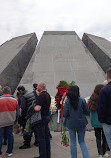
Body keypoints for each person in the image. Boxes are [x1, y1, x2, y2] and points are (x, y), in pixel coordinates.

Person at [63, 85, 90, 158]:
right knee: (82, 142)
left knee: (73, 143)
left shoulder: (67, 101)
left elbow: (65, 113)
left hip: (71, 124)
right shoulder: (82, 100)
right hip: (81, 123)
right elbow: (87, 112)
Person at [88, 84, 109, 158]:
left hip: (95, 121)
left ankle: (100, 153)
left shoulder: (92, 98)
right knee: (104, 137)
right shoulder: (104, 97)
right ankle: (104, 152)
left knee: (98, 138)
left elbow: (89, 109)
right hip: (103, 120)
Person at [34, 81, 51, 158]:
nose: (36, 87)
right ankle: (47, 154)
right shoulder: (47, 94)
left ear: (41, 87)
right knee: (46, 137)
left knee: (41, 138)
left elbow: (38, 108)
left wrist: (32, 108)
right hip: (47, 117)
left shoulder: (41, 96)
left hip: (41, 118)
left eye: (37, 86)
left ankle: (42, 155)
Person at [0, 86, 18, 158]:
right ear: (10, 92)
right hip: (11, 121)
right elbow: (17, 113)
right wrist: (16, 120)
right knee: (10, 136)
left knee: (0, 137)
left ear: (2, 92)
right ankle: (9, 152)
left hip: (1, 121)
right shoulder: (15, 100)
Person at [97, 68, 111, 151]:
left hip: (108, 122)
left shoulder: (104, 90)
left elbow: (101, 108)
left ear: (107, 77)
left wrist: (101, 120)